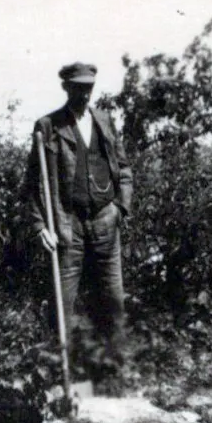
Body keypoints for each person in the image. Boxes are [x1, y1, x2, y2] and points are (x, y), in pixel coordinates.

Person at [24, 62, 133, 370]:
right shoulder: (47, 126)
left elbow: (123, 168)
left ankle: (109, 374)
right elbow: (34, 183)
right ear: (66, 88)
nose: (84, 94)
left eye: (89, 88)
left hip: (105, 220)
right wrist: (39, 225)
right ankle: (63, 375)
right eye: (78, 88)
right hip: (67, 224)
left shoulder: (104, 120)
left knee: (112, 300)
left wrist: (120, 208)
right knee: (63, 303)